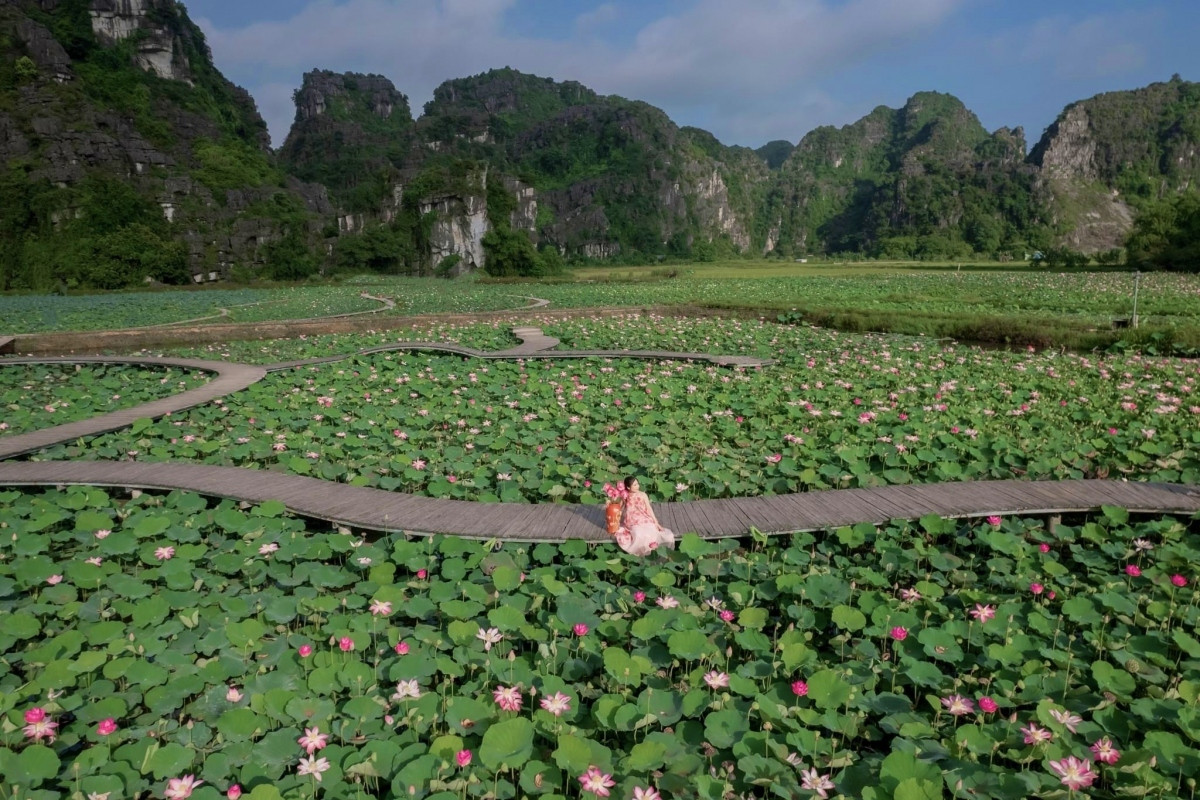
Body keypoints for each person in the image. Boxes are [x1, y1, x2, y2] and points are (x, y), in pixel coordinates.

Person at [613, 476, 675, 556]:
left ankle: (654, 553)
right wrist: (615, 520)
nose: (637, 486)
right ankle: (642, 554)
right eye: (634, 485)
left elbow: (649, 508)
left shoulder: (643, 494)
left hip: (644, 517)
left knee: (652, 530)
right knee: (638, 534)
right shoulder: (625, 496)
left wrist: (656, 522)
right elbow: (619, 508)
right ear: (628, 487)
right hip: (632, 520)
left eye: (637, 484)